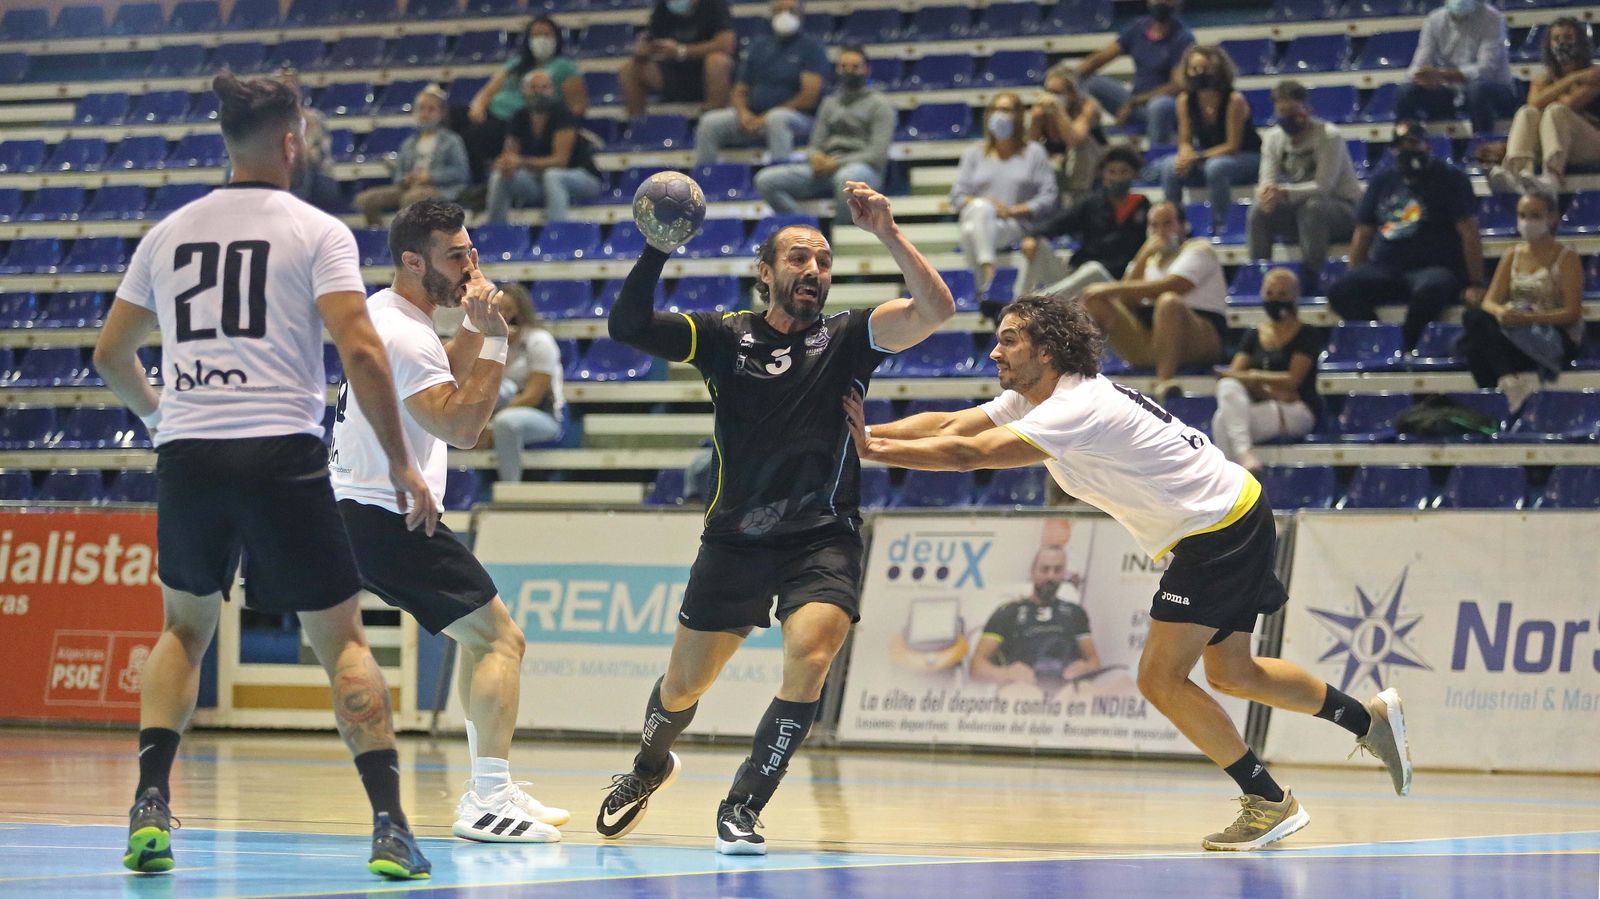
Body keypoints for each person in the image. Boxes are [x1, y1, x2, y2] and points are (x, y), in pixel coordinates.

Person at [842, 295, 1413, 851]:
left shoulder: (1074, 408)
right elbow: (952, 423)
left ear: (1047, 351)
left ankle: (1268, 802)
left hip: (1216, 528)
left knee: (1159, 679)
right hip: (1231, 512)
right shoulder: (1038, 398)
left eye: (1008, 340)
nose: (994, 352)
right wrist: (863, 434)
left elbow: (968, 455)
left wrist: (870, 449)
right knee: (1234, 673)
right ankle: (1367, 718)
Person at [93, 72, 439, 879]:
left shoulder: (169, 231)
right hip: (279, 452)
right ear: (291, 141)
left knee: (183, 628)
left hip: (190, 454)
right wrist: (401, 464)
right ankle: (390, 824)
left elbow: (112, 354)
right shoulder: (318, 230)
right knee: (342, 641)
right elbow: (360, 350)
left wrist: (158, 414)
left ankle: (149, 803)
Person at [598, 182, 955, 855]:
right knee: (684, 685)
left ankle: (743, 803)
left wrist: (888, 230)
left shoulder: (850, 336)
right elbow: (627, 327)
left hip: (823, 535)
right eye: (797, 259)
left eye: (822, 260)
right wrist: (656, 249)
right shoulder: (722, 336)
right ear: (766, 273)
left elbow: (937, 308)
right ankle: (647, 768)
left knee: (811, 655)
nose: (813, 271)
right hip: (735, 540)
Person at [329, 199, 570, 844]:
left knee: (480, 638)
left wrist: (477, 330)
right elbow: (463, 427)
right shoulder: (404, 335)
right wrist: (493, 337)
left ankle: (491, 783)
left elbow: (447, 375)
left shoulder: (390, 312)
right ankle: (486, 797)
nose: (472, 265)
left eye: (472, 250)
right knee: (502, 640)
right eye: (456, 255)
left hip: (372, 510)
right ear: (413, 261)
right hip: (384, 515)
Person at [1327, 120, 1485, 350]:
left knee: (1432, 288)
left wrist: (1476, 283)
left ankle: (1407, 347)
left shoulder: (1451, 178)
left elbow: (1469, 232)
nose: (1405, 149)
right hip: (1386, 268)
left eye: (1412, 142)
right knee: (1341, 290)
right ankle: (1378, 341)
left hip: (1434, 267)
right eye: (1399, 144)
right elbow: (1364, 232)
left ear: (1427, 146)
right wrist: (1355, 272)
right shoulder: (1382, 180)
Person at [1080, 201, 1227, 398]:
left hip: (1199, 335)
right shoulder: (1147, 258)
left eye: (1167, 224)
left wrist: (1110, 287)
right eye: (1154, 225)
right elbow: (1125, 300)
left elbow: (1173, 285)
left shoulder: (1198, 248)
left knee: (1168, 302)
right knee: (1095, 301)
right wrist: (1143, 255)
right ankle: (1083, 379)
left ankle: (1164, 383)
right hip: (1152, 337)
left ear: (1182, 226)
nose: (1160, 232)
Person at [1459, 190, 1585, 412]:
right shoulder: (1512, 255)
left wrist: (1528, 318)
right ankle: (1509, 383)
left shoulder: (1567, 258)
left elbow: (1572, 313)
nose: (1527, 222)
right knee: (1474, 318)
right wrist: (1504, 313)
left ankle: (1503, 401)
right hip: (1516, 329)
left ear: (1552, 217)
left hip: (1552, 334)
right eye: (1522, 215)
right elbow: (1490, 302)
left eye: (1535, 215)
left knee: (1473, 347)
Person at [1247, 80, 1363, 294]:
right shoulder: (1273, 138)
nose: (1286, 117)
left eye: (1292, 111)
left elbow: (1324, 186)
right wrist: (1267, 194)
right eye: (1282, 111)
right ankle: (1259, 276)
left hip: (1342, 209)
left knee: (1313, 207)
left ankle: (1312, 278)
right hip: (1301, 210)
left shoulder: (1329, 136)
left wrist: (1283, 192)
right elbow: (1266, 179)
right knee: (1258, 210)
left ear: (1306, 110)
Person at [754, 45, 895, 215]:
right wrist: (815, 156)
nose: (849, 71)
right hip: (825, 169)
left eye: (855, 67)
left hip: (862, 169)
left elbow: (876, 154)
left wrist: (837, 163)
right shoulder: (829, 103)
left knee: (847, 181)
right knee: (765, 180)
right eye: (843, 66)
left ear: (867, 69)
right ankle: (807, 230)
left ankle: (840, 235)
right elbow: (814, 144)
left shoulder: (880, 105)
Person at [951, 93, 1058, 304]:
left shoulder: (1034, 153)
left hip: (1016, 225)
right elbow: (957, 196)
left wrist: (1012, 210)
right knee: (977, 215)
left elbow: (1049, 197)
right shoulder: (974, 154)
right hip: (982, 222)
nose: (999, 115)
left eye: (1006, 110)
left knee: (970, 228)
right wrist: (988, 206)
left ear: (1018, 116)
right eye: (995, 110)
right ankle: (989, 269)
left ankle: (984, 283)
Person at [692, 0, 827, 167]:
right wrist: (743, 113)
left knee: (777, 119)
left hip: (798, 118)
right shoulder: (759, 46)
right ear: (771, 14)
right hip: (754, 116)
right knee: (709, 122)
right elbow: (739, 90)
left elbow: (809, 96)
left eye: (791, 10)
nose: (785, 15)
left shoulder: (811, 47)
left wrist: (767, 116)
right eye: (779, 10)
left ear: (801, 13)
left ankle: (779, 176)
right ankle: (707, 180)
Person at [1211, 268, 1321, 473]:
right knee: (1226, 392)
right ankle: (1244, 457)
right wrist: (1267, 390)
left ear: (1294, 297)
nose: (1275, 299)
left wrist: (1254, 377)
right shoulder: (1254, 334)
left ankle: (1228, 478)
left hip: (1299, 409)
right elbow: (1235, 376)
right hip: (1263, 402)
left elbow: (1293, 381)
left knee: (1223, 421)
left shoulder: (1307, 333)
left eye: (1282, 294)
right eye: (1269, 294)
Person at [1014, 146, 1150, 303]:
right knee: (1037, 244)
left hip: (1112, 285)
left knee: (1094, 269)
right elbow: (1057, 223)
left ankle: (1032, 304)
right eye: (1112, 172)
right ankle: (1018, 303)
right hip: (1075, 280)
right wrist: (1032, 236)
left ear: (1134, 174)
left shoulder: (1142, 206)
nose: (1117, 178)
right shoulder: (1091, 203)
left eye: (1123, 172)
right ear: (1103, 175)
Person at [1152, 45, 1261, 236]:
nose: (1200, 74)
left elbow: (1232, 145)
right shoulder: (1185, 100)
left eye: (1206, 69)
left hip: (1245, 158)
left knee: (1216, 167)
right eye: (1195, 69)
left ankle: (1223, 224)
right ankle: (1175, 225)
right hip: (1208, 158)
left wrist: (1198, 156)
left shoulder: (1234, 100)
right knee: (1171, 167)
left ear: (1219, 70)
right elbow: (1185, 139)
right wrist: (1185, 155)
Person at [461, 16, 587, 179]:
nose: (540, 40)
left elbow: (577, 106)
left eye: (546, 35)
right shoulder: (516, 64)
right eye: (535, 35)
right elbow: (488, 90)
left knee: (473, 136)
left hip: (520, 122)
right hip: (493, 114)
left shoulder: (565, 68)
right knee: (455, 117)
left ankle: (478, 182)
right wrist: (478, 106)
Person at [1487, 18, 1600, 195]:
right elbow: (1534, 103)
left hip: (1592, 143)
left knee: (1556, 111)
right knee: (1527, 112)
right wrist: (1572, 78)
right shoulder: (1545, 78)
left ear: (1580, 40)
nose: (1562, 43)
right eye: (1556, 39)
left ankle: (1552, 177)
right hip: (1557, 143)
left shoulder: (1594, 74)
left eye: (1568, 37)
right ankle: (1515, 173)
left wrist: (1553, 89)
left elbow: (1568, 104)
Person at [970, 545, 1102, 688]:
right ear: (1032, 572)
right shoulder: (1007, 612)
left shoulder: (1075, 613)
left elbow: (1094, 660)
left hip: (1067, 685)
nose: (1050, 576)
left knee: (1089, 693)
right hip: (1023, 686)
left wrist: (1085, 668)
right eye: (1044, 569)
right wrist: (1007, 673)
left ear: (1063, 573)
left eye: (1057, 570)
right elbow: (976, 667)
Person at [483, 70, 603, 224]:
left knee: (553, 176)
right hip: (538, 181)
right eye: (533, 88)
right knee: (500, 176)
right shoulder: (519, 117)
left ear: (552, 90)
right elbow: (511, 155)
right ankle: (495, 232)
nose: (539, 92)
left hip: (581, 177)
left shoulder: (563, 114)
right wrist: (506, 164)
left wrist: (520, 162)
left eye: (544, 87)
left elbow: (560, 161)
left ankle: (556, 232)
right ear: (523, 91)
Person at [1074, 0, 1192, 144]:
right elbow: (1100, 58)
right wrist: (1069, 77)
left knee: (1160, 106)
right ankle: (1093, 143)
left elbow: (1177, 85)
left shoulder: (1183, 37)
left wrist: (1133, 102)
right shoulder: (1138, 27)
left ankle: (1155, 155)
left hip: (1163, 107)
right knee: (1089, 83)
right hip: (1134, 103)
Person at [353, 85, 471, 227]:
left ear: (441, 114)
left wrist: (431, 177)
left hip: (441, 189)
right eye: (421, 109)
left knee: (411, 199)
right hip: (410, 187)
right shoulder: (409, 143)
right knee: (366, 199)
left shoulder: (452, 141)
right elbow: (398, 174)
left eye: (431, 109)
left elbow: (461, 172)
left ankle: (409, 240)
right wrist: (405, 179)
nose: (425, 114)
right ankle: (378, 234)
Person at [1398, 0, 1517, 136]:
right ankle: (1405, 144)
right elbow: (1418, 64)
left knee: (1476, 89)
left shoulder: (1493, 19)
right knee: (1406, 90)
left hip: (1493, 89)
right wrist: (1422, 76)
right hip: (1450, 91)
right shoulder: (1433, 20)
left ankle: (1482, 142)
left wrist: (1441, 75)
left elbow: (1485, 69)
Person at [489, 283, 566, 482]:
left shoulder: (539, 341)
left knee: (505, 422)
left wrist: (487, 422)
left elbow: (533, 396)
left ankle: (510, 487)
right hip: (500, 403)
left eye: (507, 310)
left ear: (520, 312)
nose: (502, 315)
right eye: (497, 309)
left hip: (542, 414)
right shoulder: (490, 343)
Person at [620, 0, 736, 117]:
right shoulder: (663, 8)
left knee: (717, 62)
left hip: (708, 75)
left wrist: (682, 51)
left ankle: (713, 119)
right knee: (629, 69)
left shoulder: (715, 5)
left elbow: (725, 45)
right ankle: (636, 124)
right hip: (674, 73)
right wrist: (643, 50)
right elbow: (652, 39)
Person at [1026, 63, 1107, 206]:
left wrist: (1058, 112)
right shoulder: (1042, 110)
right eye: (1048, 91)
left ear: (1072, 93)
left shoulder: (1088, 106)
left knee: (1082, 148)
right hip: (1060, 159)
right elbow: (1030, 146)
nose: (1051, 97)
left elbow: (1075, 140)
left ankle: (1078, 201)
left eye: (1057, 93)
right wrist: (1036, 119)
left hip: (1092, 160)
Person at [277, 66, 341, 213]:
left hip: (320, 178)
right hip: (285, 175)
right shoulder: (271, 123)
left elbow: (317, 157)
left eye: (291, 87)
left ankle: (294, 215)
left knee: (303, 169)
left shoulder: (314, 119)